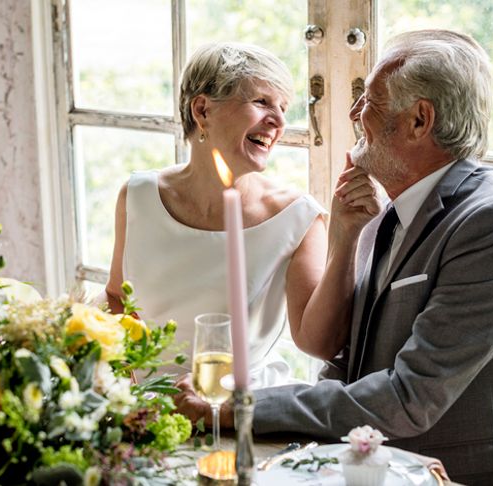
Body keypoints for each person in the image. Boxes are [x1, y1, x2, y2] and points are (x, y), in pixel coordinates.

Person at [175, 30, 493, 485]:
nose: (354, 114)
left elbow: (410, 396)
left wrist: (244, 407)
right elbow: (347, 364)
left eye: (369, 100)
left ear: (419, 120)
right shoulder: (383, 215)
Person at [103, 42, 379, 387]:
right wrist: (125, 375)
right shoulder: (138, 196)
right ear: (202, 110)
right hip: (146, 405)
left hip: (243, 408)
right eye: (261, 102)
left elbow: (318, 343)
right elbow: (116, 297)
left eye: (282, 107)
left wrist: (346, 234)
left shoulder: (297, 216)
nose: (278, 121)